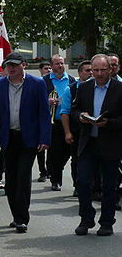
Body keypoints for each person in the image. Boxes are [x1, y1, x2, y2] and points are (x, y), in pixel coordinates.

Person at [0, 52, 50, 233]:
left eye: (14, 65)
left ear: (23, 65)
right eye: (8, 65)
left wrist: (45, 138)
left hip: (28, 139)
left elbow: (44, 114)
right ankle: (16, 215)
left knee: (23, 178)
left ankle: (22, 218)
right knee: (11, 180)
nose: (11, 68)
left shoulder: (37, 84)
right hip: (8, 138)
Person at [70, 54, 121, 236]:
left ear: (110, 69)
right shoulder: (84, 87)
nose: (99, 74)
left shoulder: (119, 88)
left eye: (103, 70)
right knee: (82, 182)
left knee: (109, 186)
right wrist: (80, 117)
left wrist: (109, 123)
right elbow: (74, 110)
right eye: (95, 70)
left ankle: (107, 222)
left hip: (110, 144)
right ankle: (86, 218)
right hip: (88, 142)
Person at [43, 55, 77, 191]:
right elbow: (36, 100)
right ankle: (55, 180)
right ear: (52, 66)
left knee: (68, 152)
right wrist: (47, 101)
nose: (60, 66)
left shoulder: (71, 80)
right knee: (55, 152)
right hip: (53, 122)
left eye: (62, 63)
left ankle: (58, 170)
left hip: (69, 122)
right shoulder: (44, 81)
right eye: (57, 64)